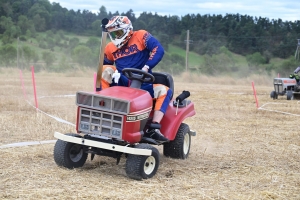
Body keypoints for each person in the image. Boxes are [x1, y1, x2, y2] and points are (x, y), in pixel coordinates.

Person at [100, 16, 172, 143]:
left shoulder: (141, 35)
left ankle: (154, 128)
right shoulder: (110, 47)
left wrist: (146, 67)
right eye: (113, 34)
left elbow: (158, 49)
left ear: (128, 30)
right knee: (105, 69)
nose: (116, 36)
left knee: (165, 91)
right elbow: (105, 66)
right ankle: (103, 112)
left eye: (119, 33)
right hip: (121, 83)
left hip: (144, 84)